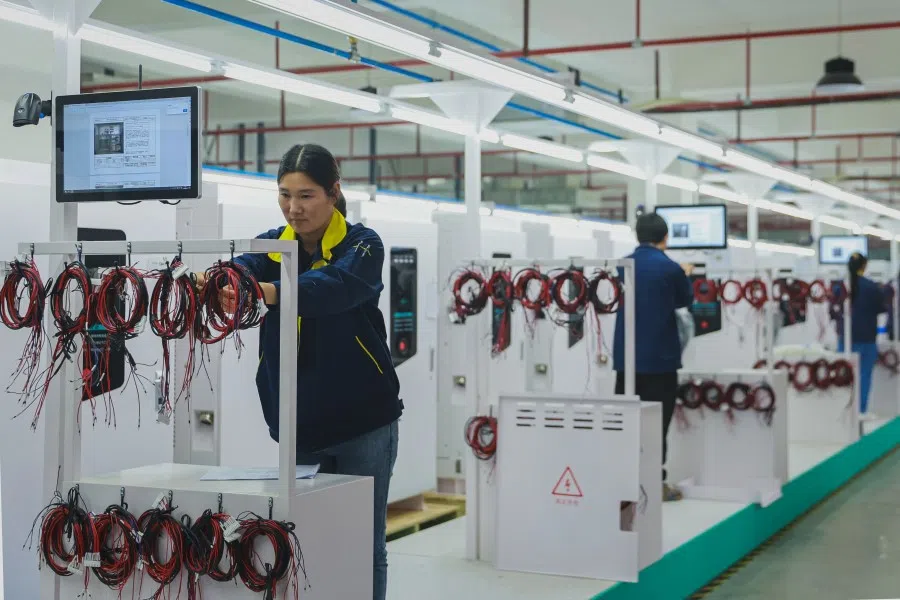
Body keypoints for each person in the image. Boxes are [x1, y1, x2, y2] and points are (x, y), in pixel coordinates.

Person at [197, 143, 402, 600]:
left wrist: (267, 291)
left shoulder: (363, 245)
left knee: (366, 545)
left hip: (364, 425)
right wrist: (219, 282)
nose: (294, 208)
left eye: (307, 195)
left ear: (334, 193)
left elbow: (335, 287)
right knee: (303, 538)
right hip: (299, 425)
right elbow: (240, 266)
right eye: (285, 194)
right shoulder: (274, 246)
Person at [612, 212, 693, 502]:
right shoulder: (670, 268)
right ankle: (655, 485)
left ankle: (623, 486)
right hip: (661, 360)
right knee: (657, 424)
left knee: (626, 423)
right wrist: (685, 274)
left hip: (626, 362)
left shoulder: (622, 266)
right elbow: (685, 301)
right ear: (665, 238)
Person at [838, 252, 884, 420]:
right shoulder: (872, 287)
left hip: (846, 338)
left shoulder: (841, 287)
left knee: (843, 376)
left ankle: (843, 410)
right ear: (864, 266)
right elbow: (882, 308)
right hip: (867, 338)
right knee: (864, 375)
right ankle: (861, 411)